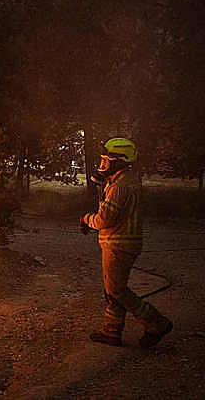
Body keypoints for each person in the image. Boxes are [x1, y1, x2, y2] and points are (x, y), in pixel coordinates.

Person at [80, 137, 172, 348]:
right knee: (113, 289)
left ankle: (156, 323)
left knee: (116, 291)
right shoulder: (125, 181)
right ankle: (111, 331)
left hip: (118, 244)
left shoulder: (119, 186)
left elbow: (104, 220)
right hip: (123, 243)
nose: (102, 164)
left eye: (106, 160)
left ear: (119, 162)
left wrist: (86, 219)